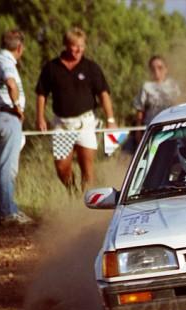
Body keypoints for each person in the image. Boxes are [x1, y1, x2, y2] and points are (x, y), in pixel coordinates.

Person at [35, 27, 116, 191]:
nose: (78, 49)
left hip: (85, 124)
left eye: (82, 46)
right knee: (62, 168)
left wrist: (110, 119)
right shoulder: (52, 67)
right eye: (74, 45)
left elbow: (103, 93)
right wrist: (40, 117)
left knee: (87, 168)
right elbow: (41, 93)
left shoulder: (91, 67)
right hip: (62, 125)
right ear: (66, 45)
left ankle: (85, 207)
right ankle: (72, 192)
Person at [0, 29, 33, 224]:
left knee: (0, 164)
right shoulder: (6, 63)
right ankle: (8, 211)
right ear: (19, 47)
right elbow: (11, 84)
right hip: (8, 116)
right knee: (7, 167)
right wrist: (18, 107)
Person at [133, 55, 180, 142]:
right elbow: (140, 110)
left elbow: (179, 104)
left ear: (166, 69)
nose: (156, 71)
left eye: (160, 68)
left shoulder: (173, 85)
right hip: (153, 129)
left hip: (172, 128)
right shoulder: (146, 87)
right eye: (153, 68)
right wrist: (138, 131)